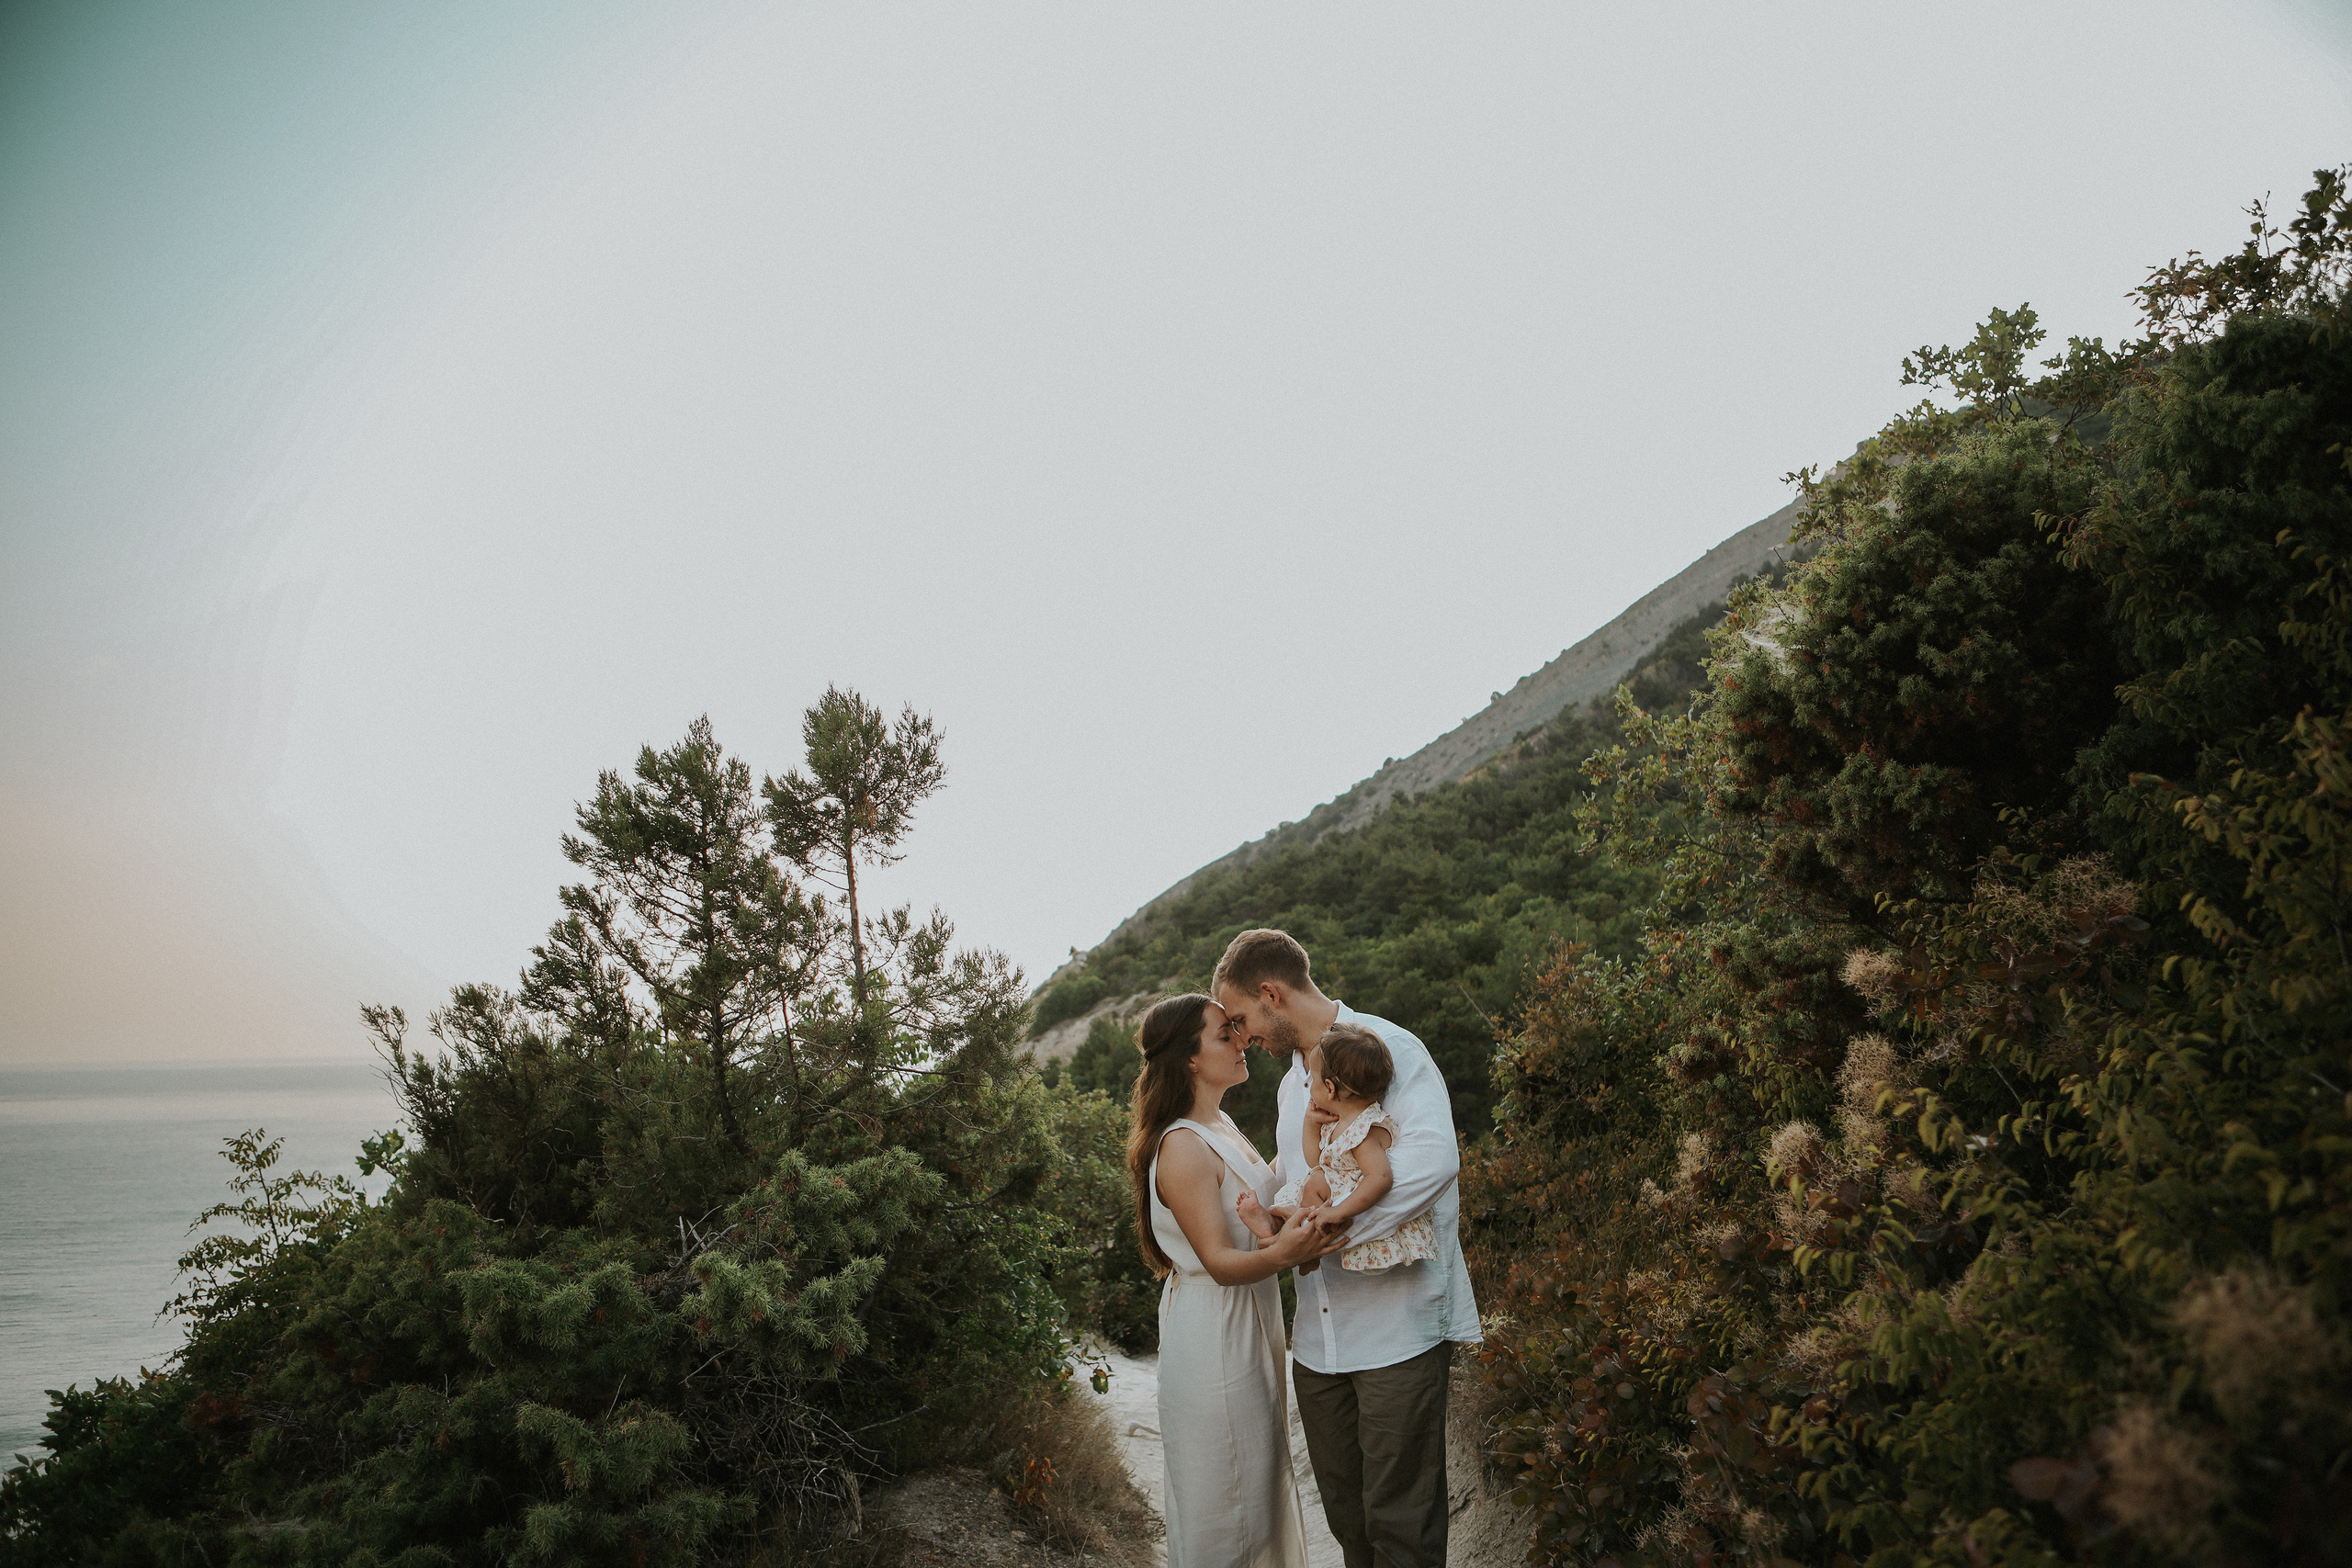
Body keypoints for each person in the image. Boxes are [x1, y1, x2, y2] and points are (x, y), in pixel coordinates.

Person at [1214, 930, 1481, 1568]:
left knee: (1401, 1521)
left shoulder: (1391, 1048)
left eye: (1243, 1018)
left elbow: (1432, 1161)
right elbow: (1294, 1178)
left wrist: (1327, 1235)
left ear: (1272, 993)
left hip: (1398, 1328)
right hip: (1318, 1343)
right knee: (1348, 1517)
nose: (1243, 1035)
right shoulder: (1289, 1090)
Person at [1127, 991, 1351, 1568]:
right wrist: (1286, 1254)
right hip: (1214, 1334)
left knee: (1255, 1488)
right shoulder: (1180, 1146)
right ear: (1191, 1059)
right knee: (1225, 1502)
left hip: (1249, 1325)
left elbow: (1260, 1189)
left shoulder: (1219, 1124)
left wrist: (1316, 1131)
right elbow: (1220, 1260)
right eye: (1224, 1034)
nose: (1241, 1040)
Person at [1240, 1022, 1439, 1275]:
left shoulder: (1364, 1130)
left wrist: (1338, 1212)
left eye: (1313, 1080)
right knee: (1316, 1177)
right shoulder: (1338, 1120)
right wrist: (1311, 1123)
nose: (1309, 1087)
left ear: (1330, 1088)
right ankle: (1282, 1231)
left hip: (1371, 1229)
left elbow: (1380, 1178)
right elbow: (1316, 1160)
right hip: (1331, 1199)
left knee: (1316, 1181)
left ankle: (1286, 1236)